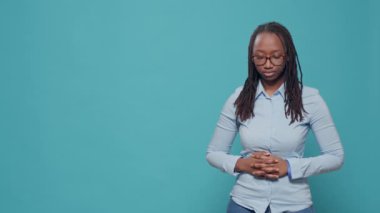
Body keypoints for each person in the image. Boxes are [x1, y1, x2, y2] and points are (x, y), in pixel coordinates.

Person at [206, 22, 344, 213]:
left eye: (276, 57)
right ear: (251, 58)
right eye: (260, 58)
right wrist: (243, 164)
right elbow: (213, 153)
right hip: (244, 203)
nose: (268, 64)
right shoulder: (237, 99)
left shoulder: (311, 100)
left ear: (287, 56)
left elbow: (335, 157)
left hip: (294, 205)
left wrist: (289, 166)